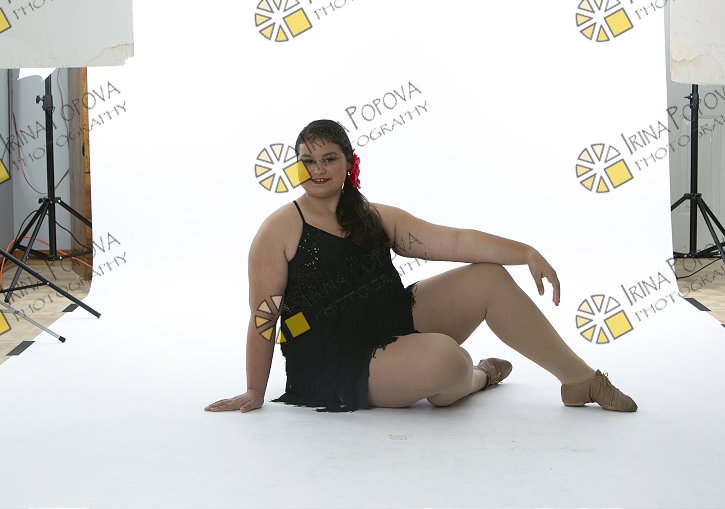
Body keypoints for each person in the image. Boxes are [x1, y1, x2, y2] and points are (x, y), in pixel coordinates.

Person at [205, 119, 637, 414]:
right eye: (307, 161)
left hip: (389, 321)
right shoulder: (280, 228)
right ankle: (480, 376)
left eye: (328, 158)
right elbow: (264, 317)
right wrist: (254, 390)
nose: (317, 169)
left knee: (488, 277)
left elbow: (455, 241)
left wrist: (525, 252)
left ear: (349, 162)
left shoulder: (376, 216)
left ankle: (579, 380)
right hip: (334, 358)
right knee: (448, 361)